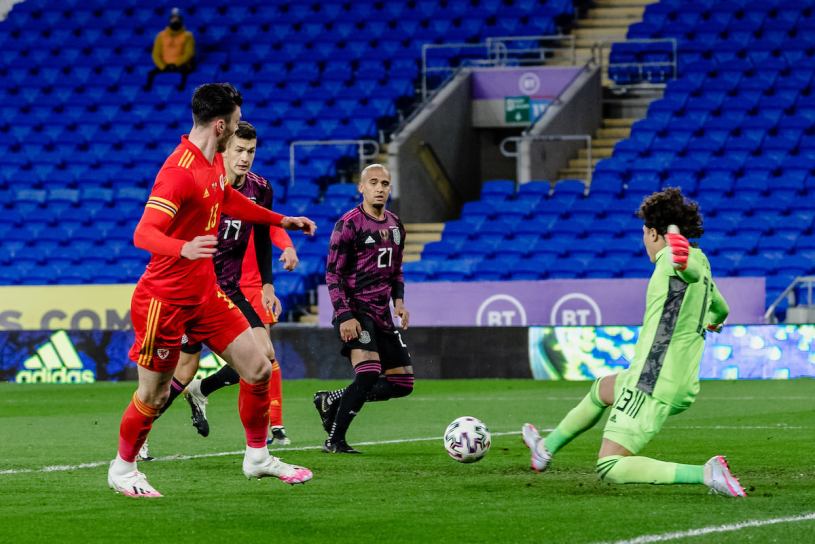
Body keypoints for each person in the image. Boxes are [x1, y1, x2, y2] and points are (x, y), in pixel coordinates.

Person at [107, 83, 317, 498]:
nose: (238, 131)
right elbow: (143, 233)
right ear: (220, 125)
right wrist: (183, 247)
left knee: (258, 368)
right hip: (163, 301)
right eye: (236, 124)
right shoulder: (179, 171)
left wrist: (281, 221)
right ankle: (123, 468)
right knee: (154, 393)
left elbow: (229, 203)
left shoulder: (211, 166)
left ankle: (257, 457)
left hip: (205, 293)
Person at [521, 187, 746, 497]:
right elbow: (722, 307)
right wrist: (714, 320)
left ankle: (706, 473)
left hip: (651, 380)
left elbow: (686, 272)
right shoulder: (703, 261)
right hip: (679, 380)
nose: (643, 240)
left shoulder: (676, 260)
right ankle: (545, 449)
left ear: (654, 233)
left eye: (644, 232)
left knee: (609, 466)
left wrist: (680, 261)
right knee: (603, 388)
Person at [156, 121, 299, 447]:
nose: (245, 157)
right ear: (224, 148)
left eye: (251, 151)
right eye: (239, 150)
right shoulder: (203, 183)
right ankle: (149, 429)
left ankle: (259, 445)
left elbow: (263, 233)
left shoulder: (261, 188)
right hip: (196, 288)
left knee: (263, 356)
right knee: (184, 369)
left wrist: (267, 285)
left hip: (231, 290)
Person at [314, 164, 413, 454]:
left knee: (402, 382)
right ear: (361, 187)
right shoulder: (349, 225)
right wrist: (345, 315)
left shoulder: (396, 226)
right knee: (369, 372)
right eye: (373, 182)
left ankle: (331, 400)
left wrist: (399, 301)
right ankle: (335, 440)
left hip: (383, 314)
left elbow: (396, 270)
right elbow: (333, 274)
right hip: (356, 311)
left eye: (385, 183)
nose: (380, 188)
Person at [144, 8, 196, 92]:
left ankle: (181, 90)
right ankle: (147, 91)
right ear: (169, 20)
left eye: (177, 19)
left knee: (185, 74)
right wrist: (163, 66)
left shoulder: (188, 36)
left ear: (181, 20)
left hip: (181, 65)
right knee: (150, 74)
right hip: (164, 65)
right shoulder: (161, 35)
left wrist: (176, 64)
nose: (175, 21)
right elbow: (155, 54)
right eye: (173, 19)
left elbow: (189, 53)